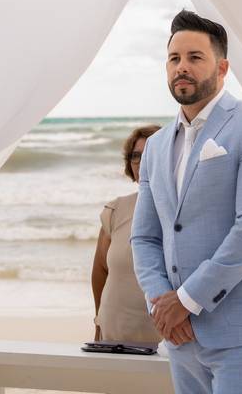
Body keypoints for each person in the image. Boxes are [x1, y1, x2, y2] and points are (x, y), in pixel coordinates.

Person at [131, 10, 242, 394]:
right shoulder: (157, 146)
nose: (182, 68)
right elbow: (144, 237)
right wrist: (163, 305)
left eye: (195, 58)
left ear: (222, 68)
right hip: (179, 334)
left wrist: (187, 301)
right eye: (174, 59)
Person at [90, 124, 163, 344]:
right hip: (115, 331)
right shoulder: (116, 210)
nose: (141, 162)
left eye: (150, 153)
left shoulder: (187, 210)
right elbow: (101, 271)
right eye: (136, 156)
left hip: (165, 337)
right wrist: (98, 321)